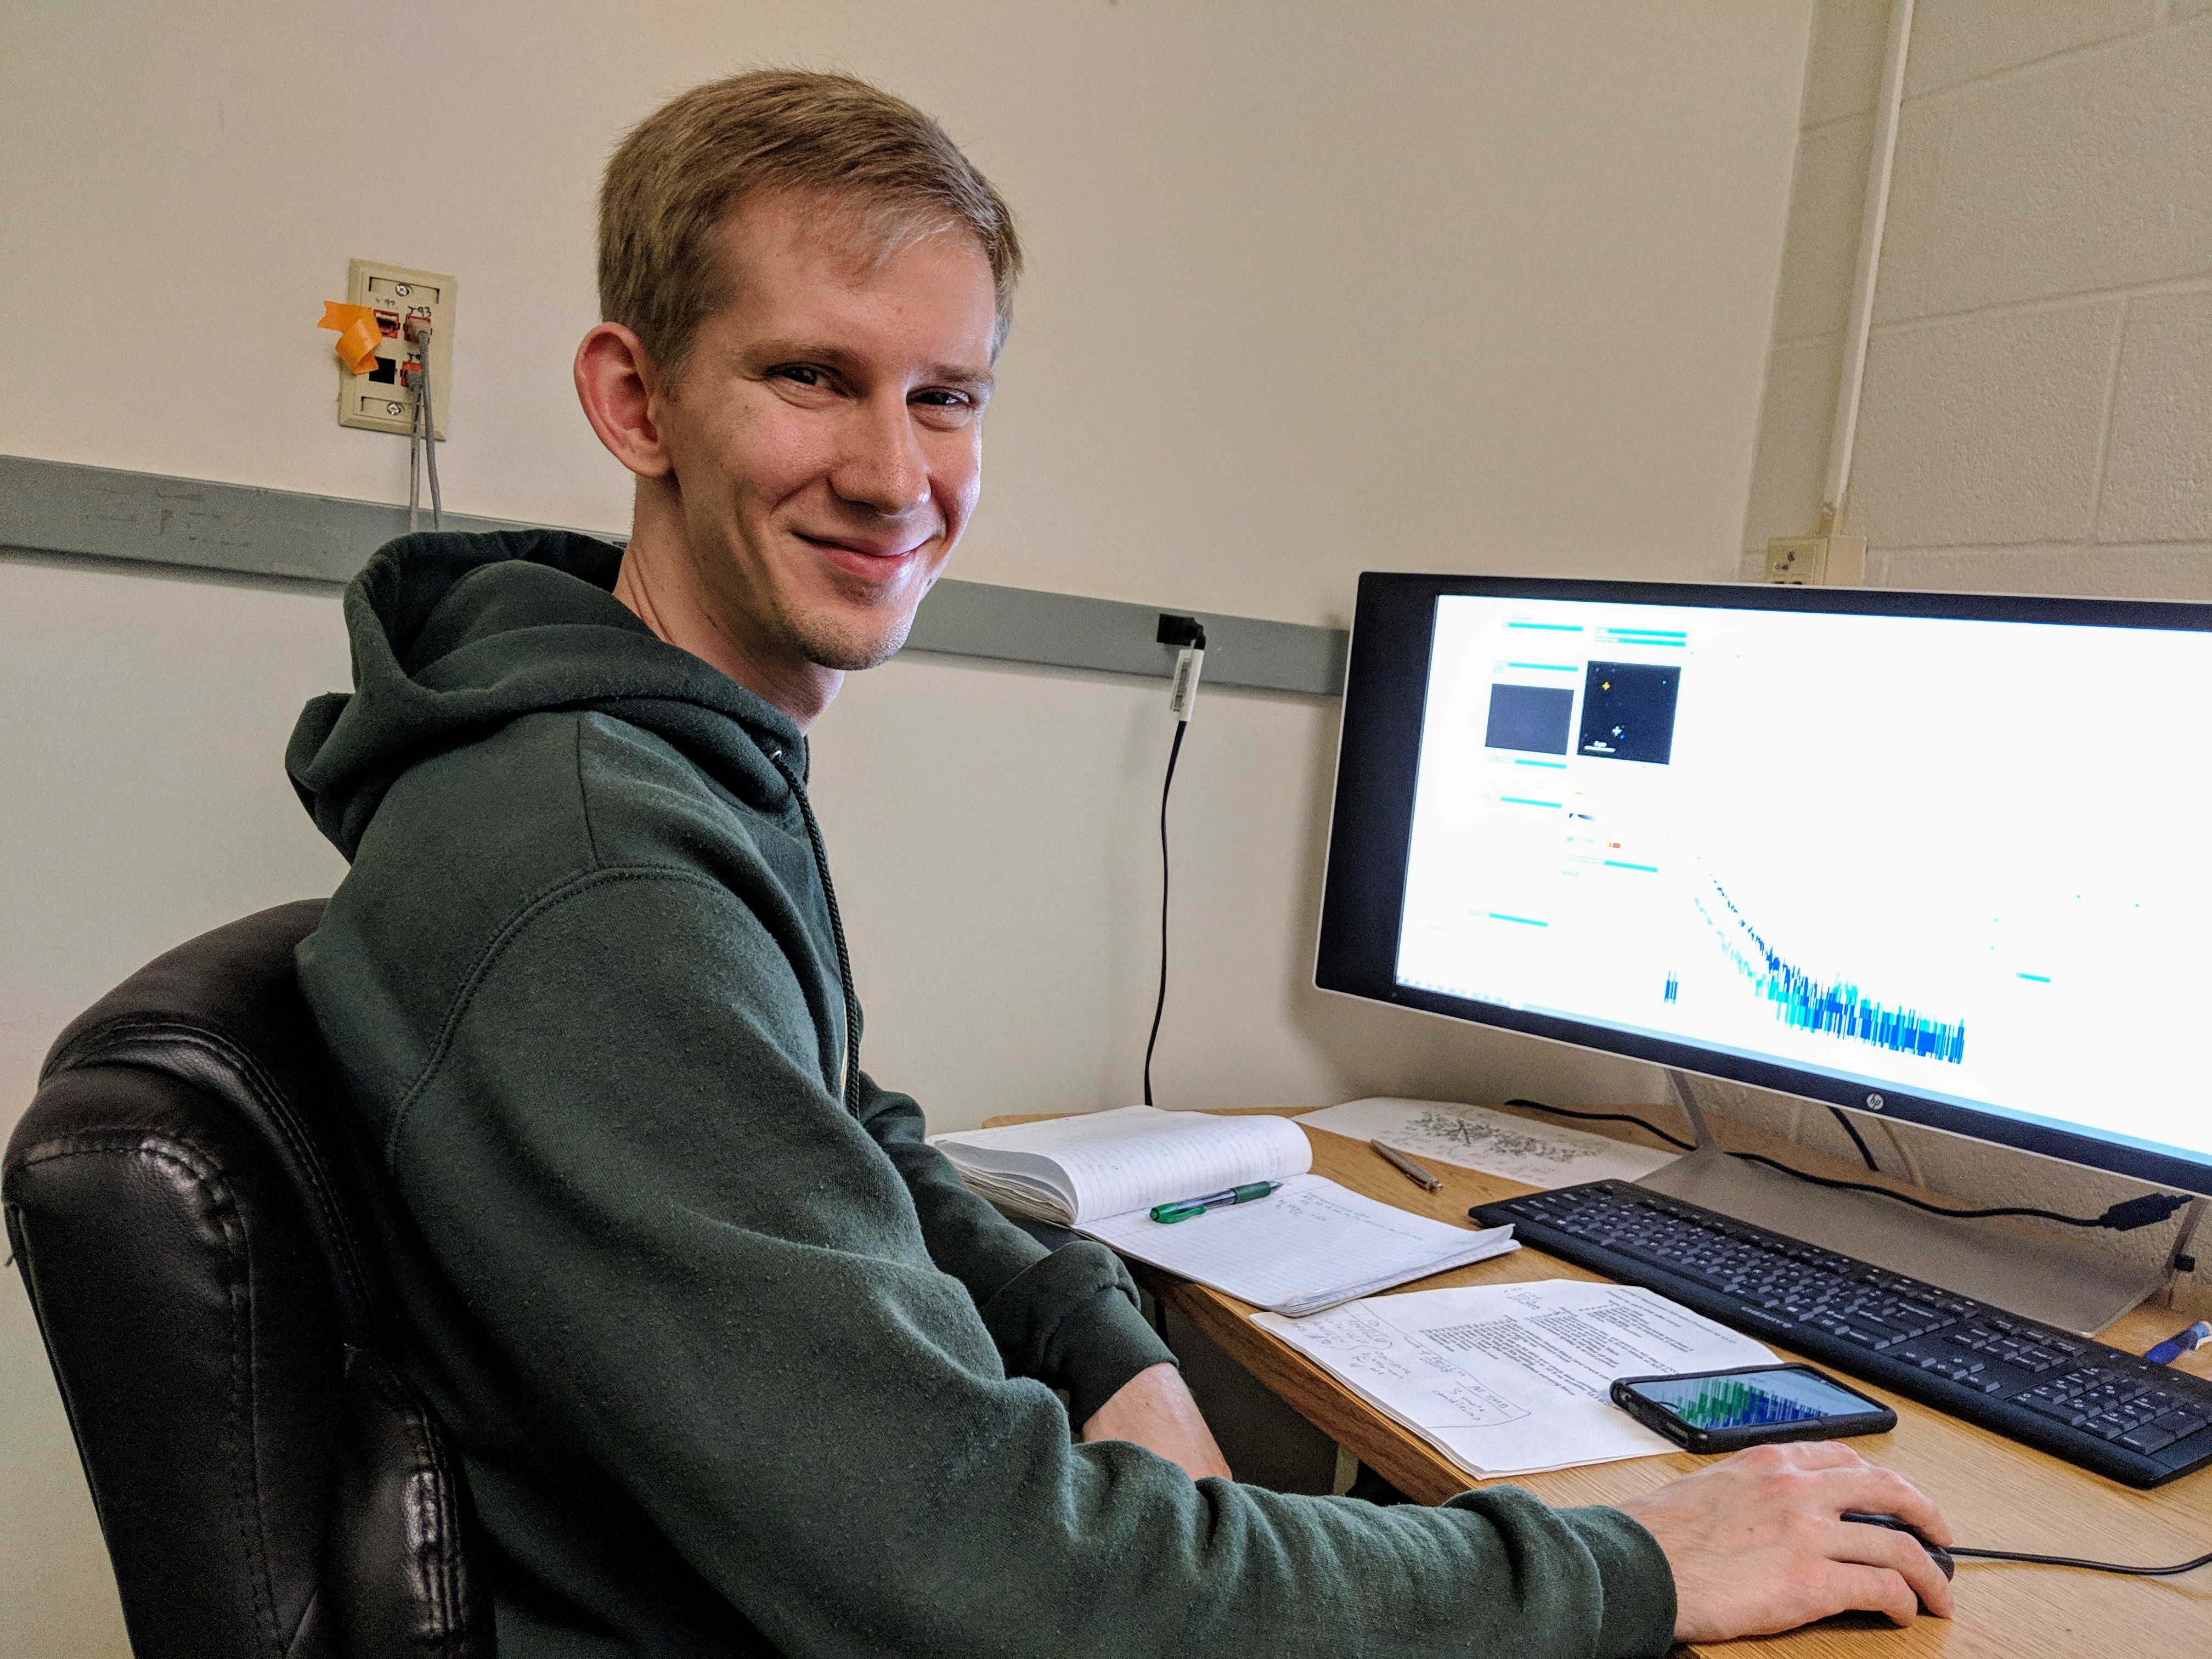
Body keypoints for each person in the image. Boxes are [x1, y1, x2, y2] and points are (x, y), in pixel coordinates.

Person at [287, 68, 1955, 1658]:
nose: (894, 475)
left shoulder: (646, 763)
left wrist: (1095, 1340)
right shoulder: (602, 874)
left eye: (946, 397)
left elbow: (845, 1134)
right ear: (635, 399)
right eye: (811, 378)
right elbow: (1004, 1586)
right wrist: (1631, 1566)